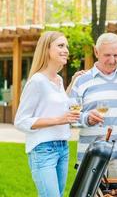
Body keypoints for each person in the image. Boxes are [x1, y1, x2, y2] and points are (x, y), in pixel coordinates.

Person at [14, 31, 80, 197]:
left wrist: (72, 83)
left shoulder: (58, 80)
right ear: (46, 49)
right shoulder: (37, 81)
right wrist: (59, 120)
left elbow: (59, 105)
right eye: (60, 45)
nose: (66, 50)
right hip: (43, 149)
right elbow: (21, 121)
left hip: (63, 148)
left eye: (66, 46)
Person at [69, 33, 117, 178]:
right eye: (107, 55)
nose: (112, 60)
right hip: (90, 157)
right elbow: (71, 117)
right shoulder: (81, 81)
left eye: (116, 55)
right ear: (96, 52)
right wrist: (87, 119)